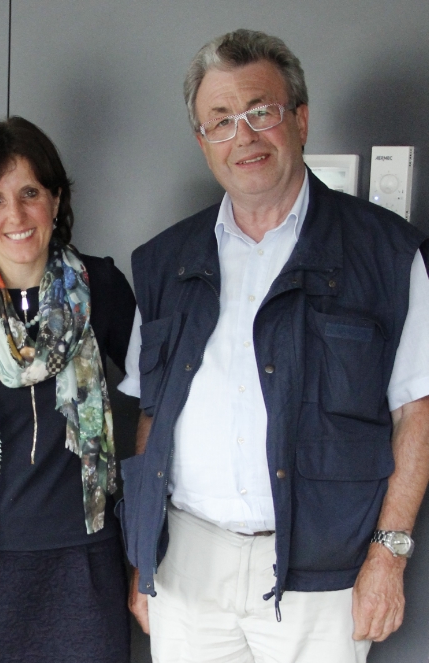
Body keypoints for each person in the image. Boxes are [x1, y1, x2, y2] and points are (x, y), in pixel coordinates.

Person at [117, 28, 429, 662]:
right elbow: (152, 414)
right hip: (187, 564)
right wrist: (144, 556)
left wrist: (389, 555)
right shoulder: (163, 261)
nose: (244, 136)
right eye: (221, 121)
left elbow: (416, 413)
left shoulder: (389, 254)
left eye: (261, 112)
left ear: (301, 120)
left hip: (325, 568)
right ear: (203, 141)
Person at [0, 116, 135, 662]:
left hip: (82, 566)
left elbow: (157, 403)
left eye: (30, 193)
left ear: (55, 200)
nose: (15, 215)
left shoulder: (101, 288)